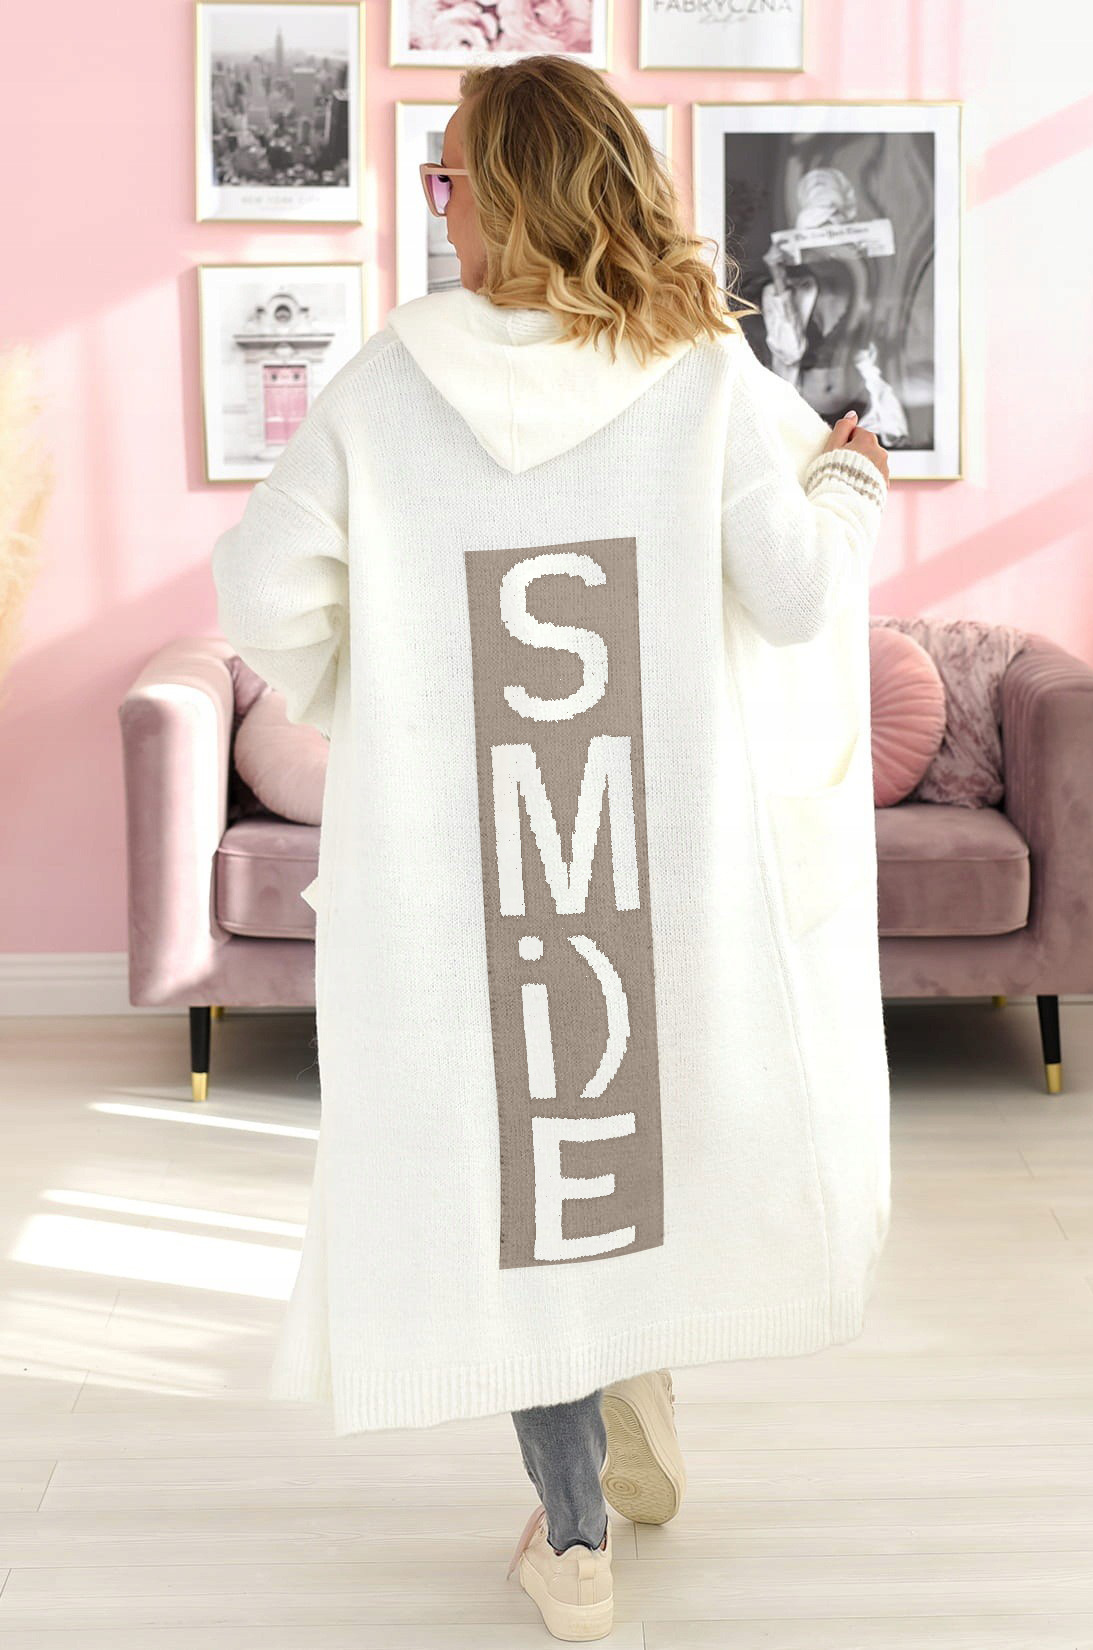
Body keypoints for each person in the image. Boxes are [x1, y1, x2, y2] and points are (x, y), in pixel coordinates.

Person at [211, 56, 891, 1645]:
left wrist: (382, 687)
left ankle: (574, 1535)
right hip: (655, 850)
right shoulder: (695, 371)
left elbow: (260, 593)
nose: (437, 208)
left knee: (509, 1156)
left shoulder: (387, 386)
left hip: (469, 850)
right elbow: (796, 593)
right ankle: (627, 1378)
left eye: (447, 176)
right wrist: (849, 479)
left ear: (506, 195)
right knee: (620, 1122)